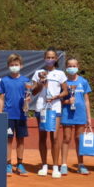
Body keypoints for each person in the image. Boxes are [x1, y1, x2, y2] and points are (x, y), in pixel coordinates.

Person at [32, 48, 68, 179]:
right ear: (44, 58)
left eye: (52, 57)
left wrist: (55, 97)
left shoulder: (60, 74)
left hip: (55, 108)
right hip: (41, 108)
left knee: (55, 137)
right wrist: (41, 84)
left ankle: (55, 167)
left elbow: (66, 91)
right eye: (48, 57)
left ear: (56, 59)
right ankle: (44, 165)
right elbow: (34, 92)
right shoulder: (38, 73)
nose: (50, 59)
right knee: (42, 137)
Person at [0, 54, 31, 176]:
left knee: (21, 140)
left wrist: (27, 102)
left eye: (16, 65)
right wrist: (1, 113)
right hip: (8, 115)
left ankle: (20, 164)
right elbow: (1, 98)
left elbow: (28, 97)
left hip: (21, 115)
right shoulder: (4, 80)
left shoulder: (26, 81)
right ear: (8, 66)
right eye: (12, 65)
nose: (14, 67)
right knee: (8, 140)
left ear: (21, 66)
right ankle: (8, 164)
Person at [60, 58, 92, 176]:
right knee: (66, 138)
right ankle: (63, 165)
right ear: (66, 68)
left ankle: (80, 165)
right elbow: (60, 101)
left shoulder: (83, 81)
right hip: (67, 114)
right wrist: (68, 102)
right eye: (69, 66)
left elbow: (87, 100)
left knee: (79, 139)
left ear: (78, 66)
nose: (72, 68)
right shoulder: (64, 83)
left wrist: (89, 117)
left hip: (80, 114)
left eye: (74, 66)